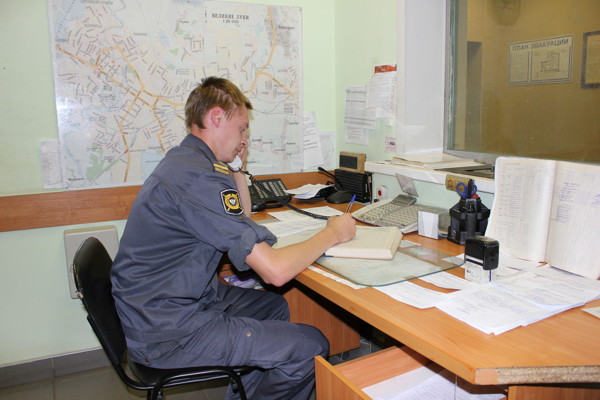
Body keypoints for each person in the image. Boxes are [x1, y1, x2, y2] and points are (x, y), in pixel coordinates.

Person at [110, 76, 356, 400]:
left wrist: (237, 166)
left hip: (164, 305)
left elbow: (241, 215)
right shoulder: (198, 177)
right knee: (310, 346)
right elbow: (276, 272)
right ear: (216, 117)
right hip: (168, 330)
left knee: (273, 307)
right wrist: (332, 233)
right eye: (241, 129)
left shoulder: (191, 161)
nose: (244, 138)